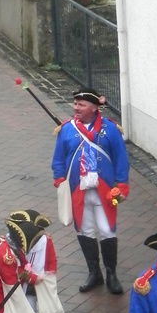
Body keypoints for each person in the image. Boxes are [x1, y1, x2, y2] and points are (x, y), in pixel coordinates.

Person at [51, 88, 129, 294]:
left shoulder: (111, 129)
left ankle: (111, 274)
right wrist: (59, 180)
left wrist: (121, 185)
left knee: (107, 229)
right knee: (84, 230)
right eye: (75, 104)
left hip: (105, 190)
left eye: (81, 104)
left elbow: (121, 159)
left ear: (94, 108)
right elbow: (58, 158)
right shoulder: (66, 130)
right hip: (78, 189)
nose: (76, 108)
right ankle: (94, 272)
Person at [7, 210, 65, 313]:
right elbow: (18, 268)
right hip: (27, 283)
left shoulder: (46, 240)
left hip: (43, 281)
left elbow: (52, 260)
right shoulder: (15, 244)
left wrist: (49, 277)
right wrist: (30, 277)